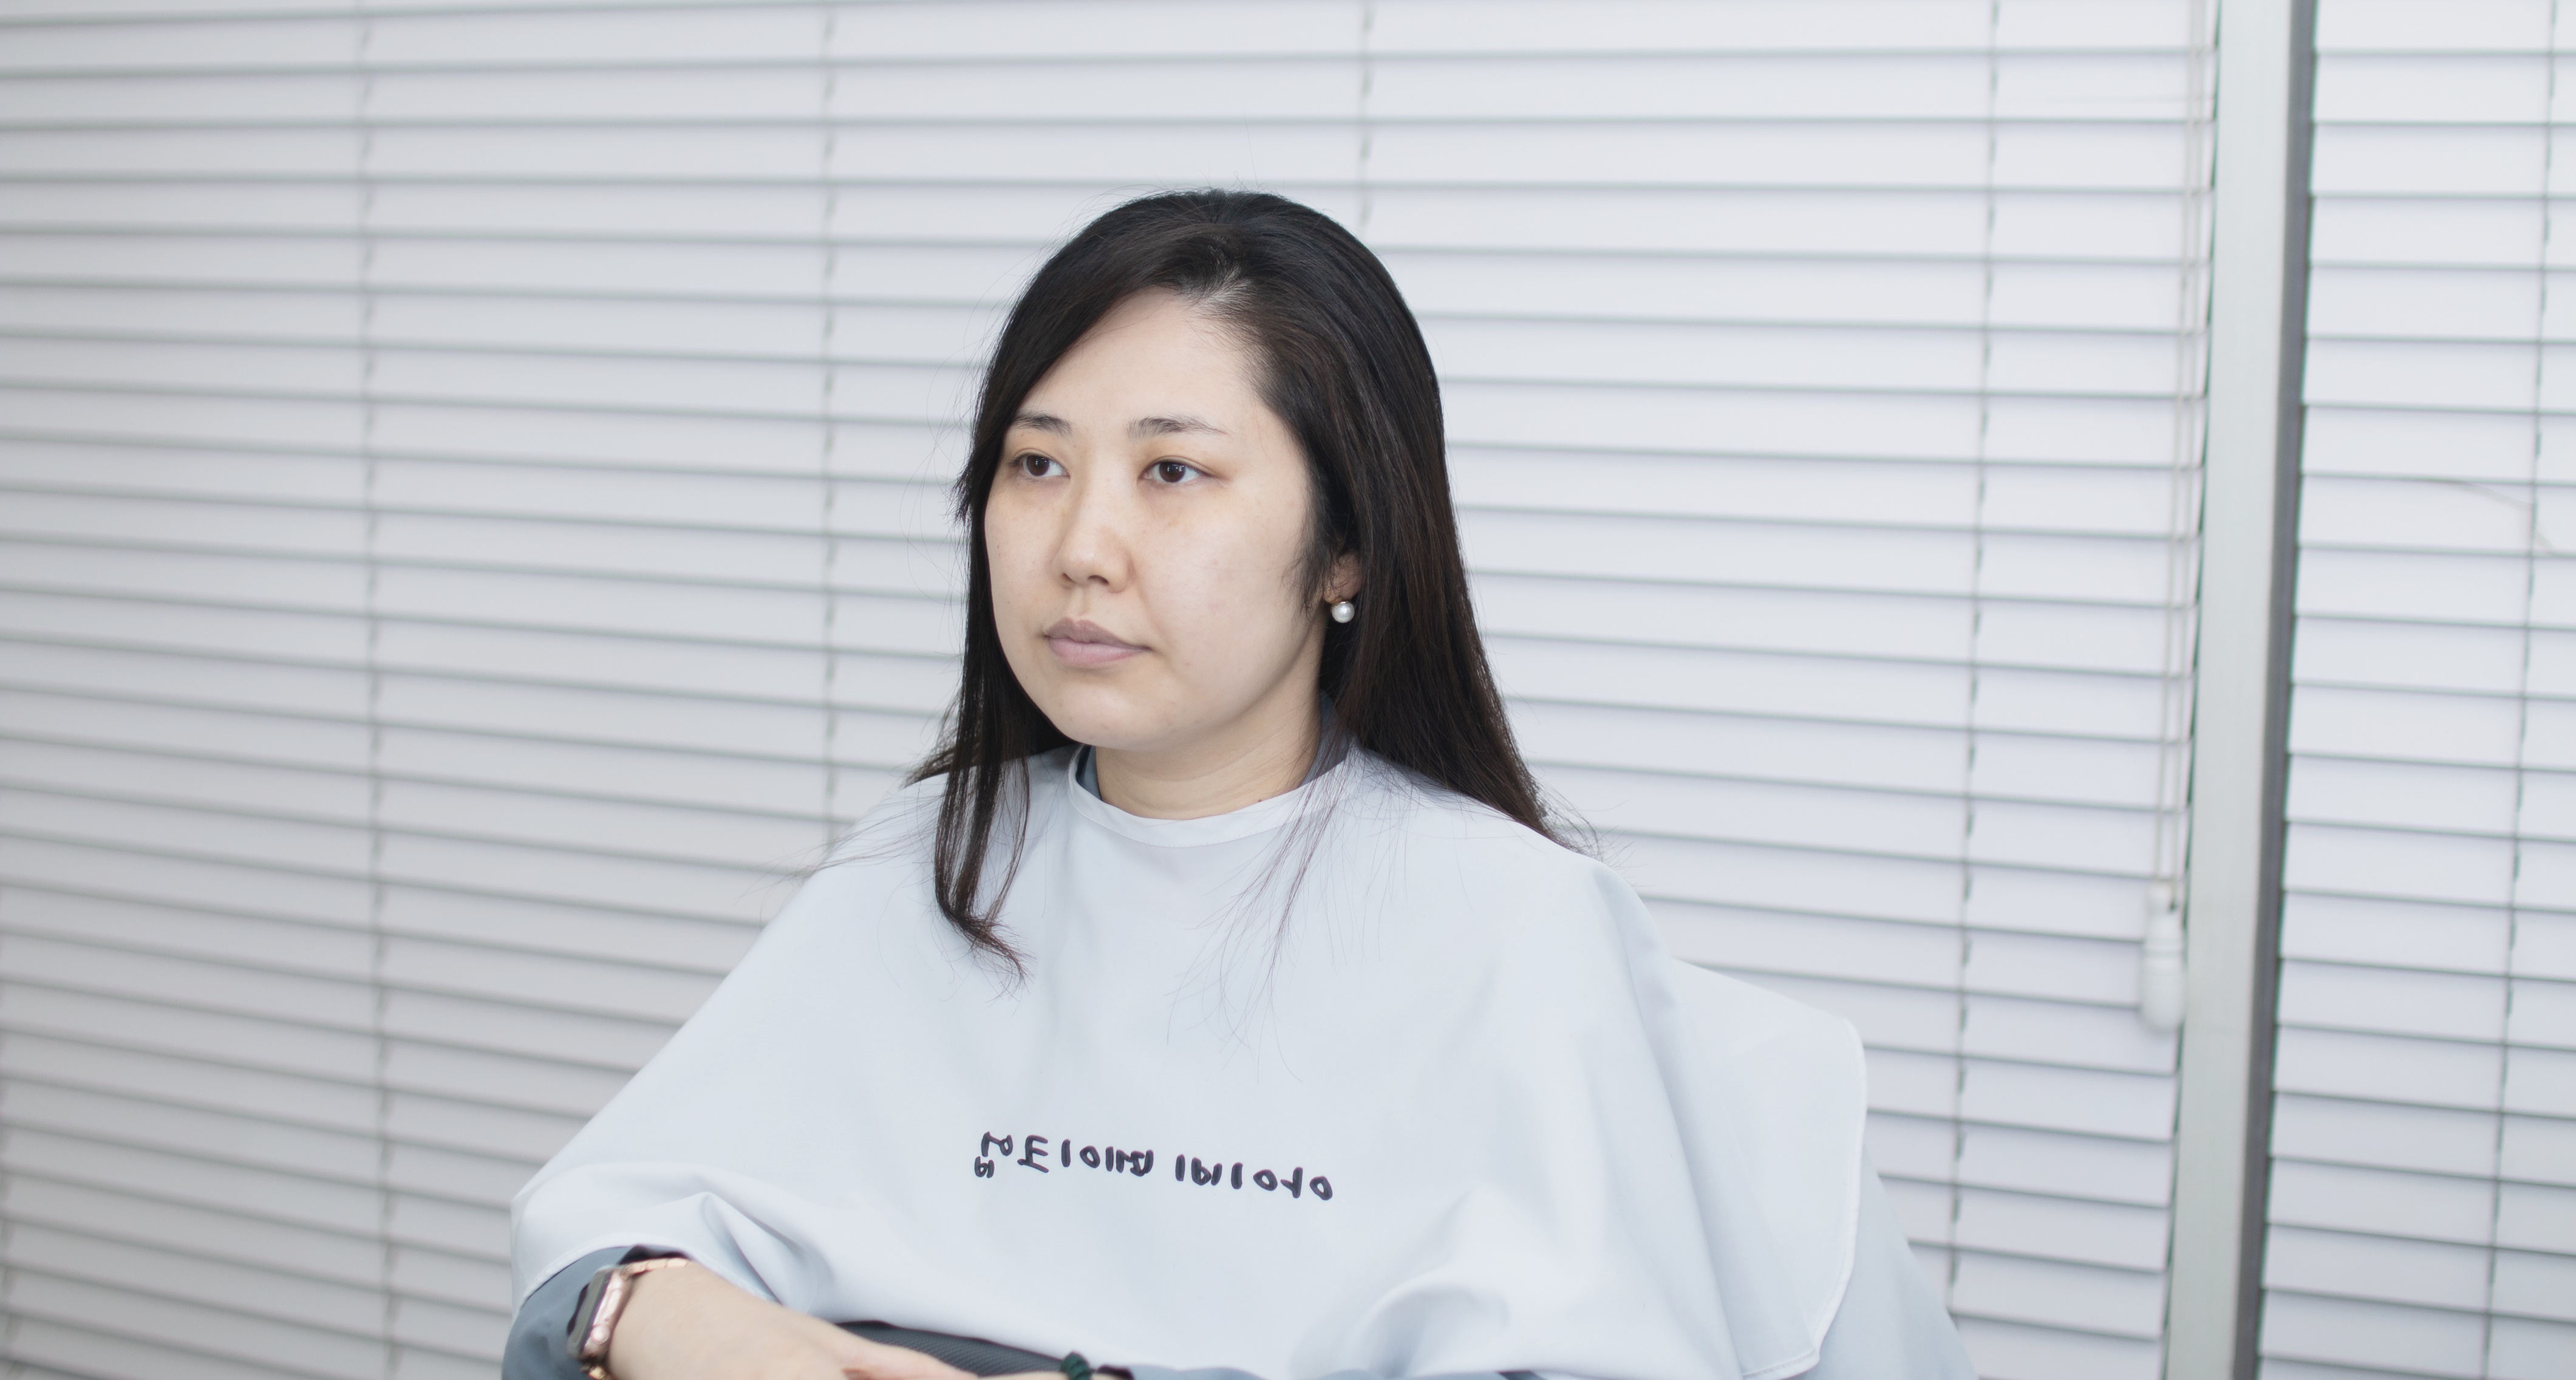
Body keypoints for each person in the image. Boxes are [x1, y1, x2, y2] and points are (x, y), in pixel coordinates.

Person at [506, 191, 1976, 1380]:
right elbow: (607, 1237)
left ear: (1345, 546)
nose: (1079, 547)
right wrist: (657, 1312)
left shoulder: (1523, 934)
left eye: (1173, 473)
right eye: (1035, 465)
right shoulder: (918, 865)